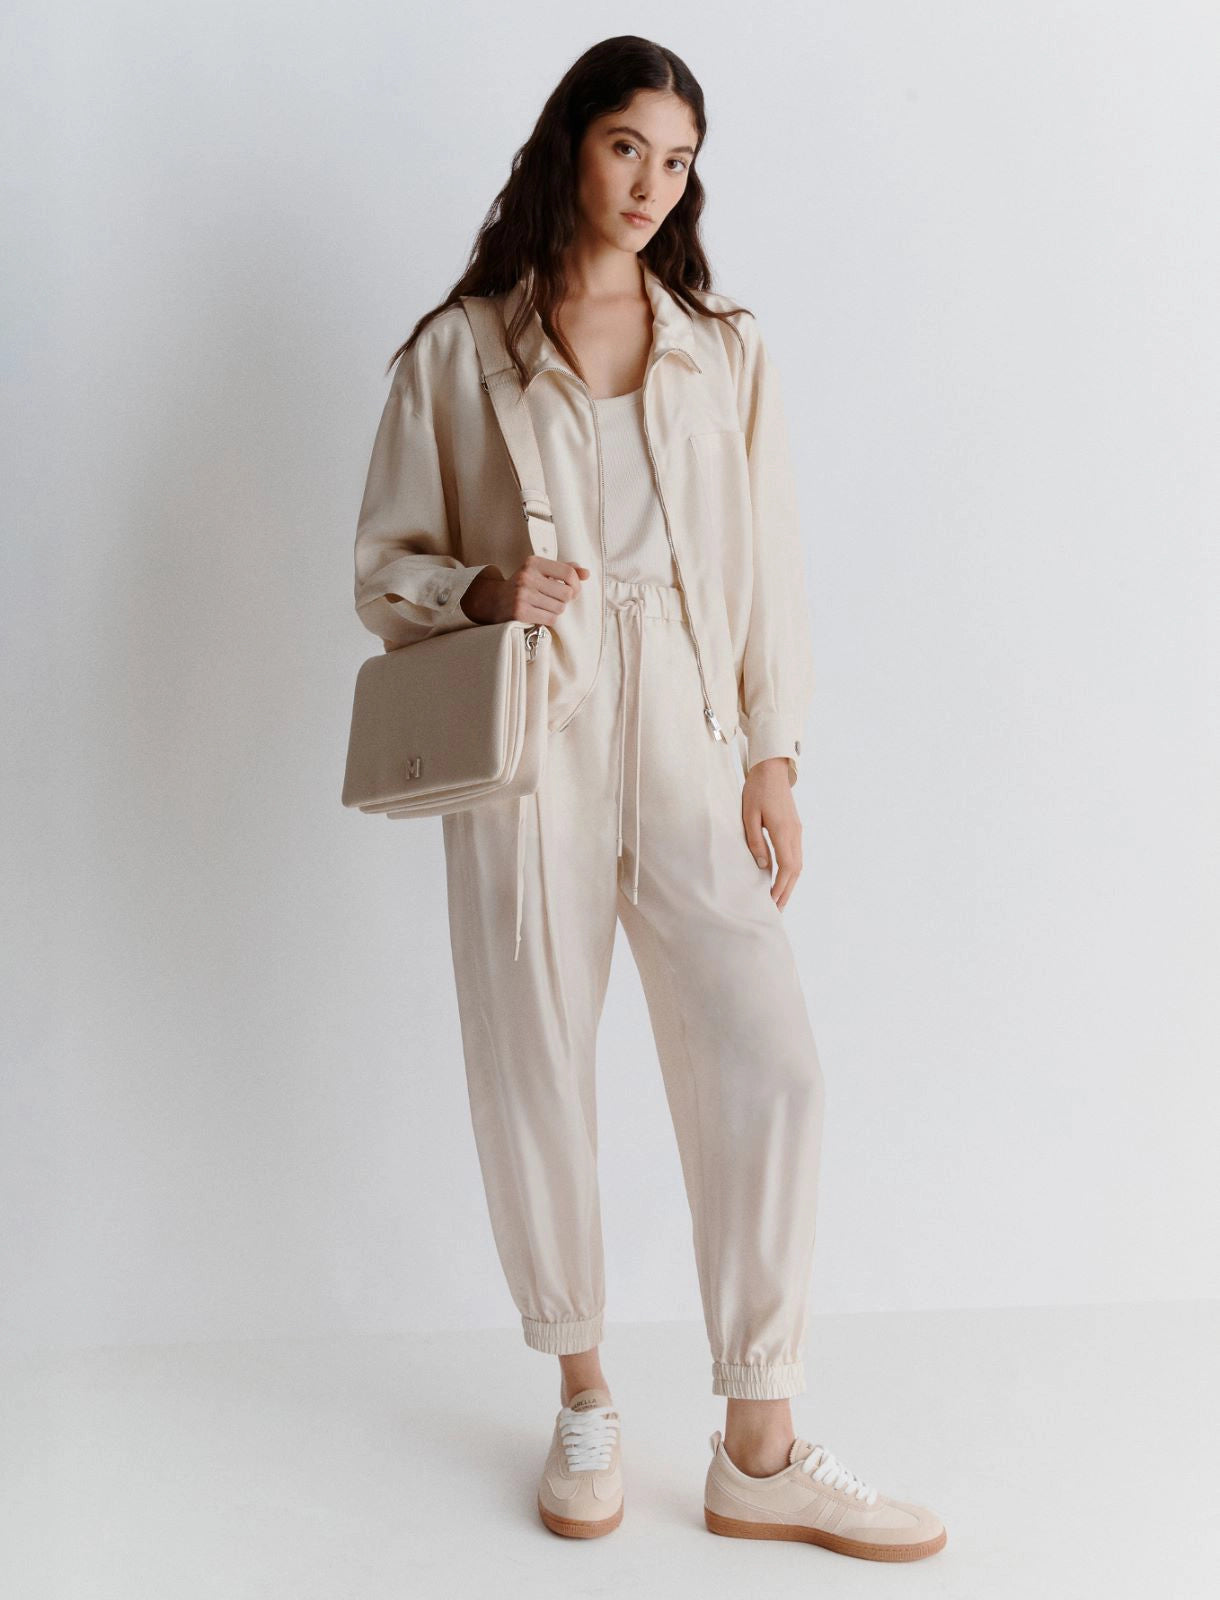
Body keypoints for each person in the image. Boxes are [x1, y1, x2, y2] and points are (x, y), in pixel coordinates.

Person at [352, 34, 946, 1562]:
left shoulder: (721, 350)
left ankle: (760, 1445)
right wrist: (486, 586)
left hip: (686, 723)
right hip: (532, 731)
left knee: (771, 1062)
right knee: (535, 1056)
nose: (651, 184)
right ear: (573, 142)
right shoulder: (461, 351)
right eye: (628, 147)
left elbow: (772, 568)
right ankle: (585, 1392)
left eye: (678, 161)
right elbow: (383, 570)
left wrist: (773, 756)